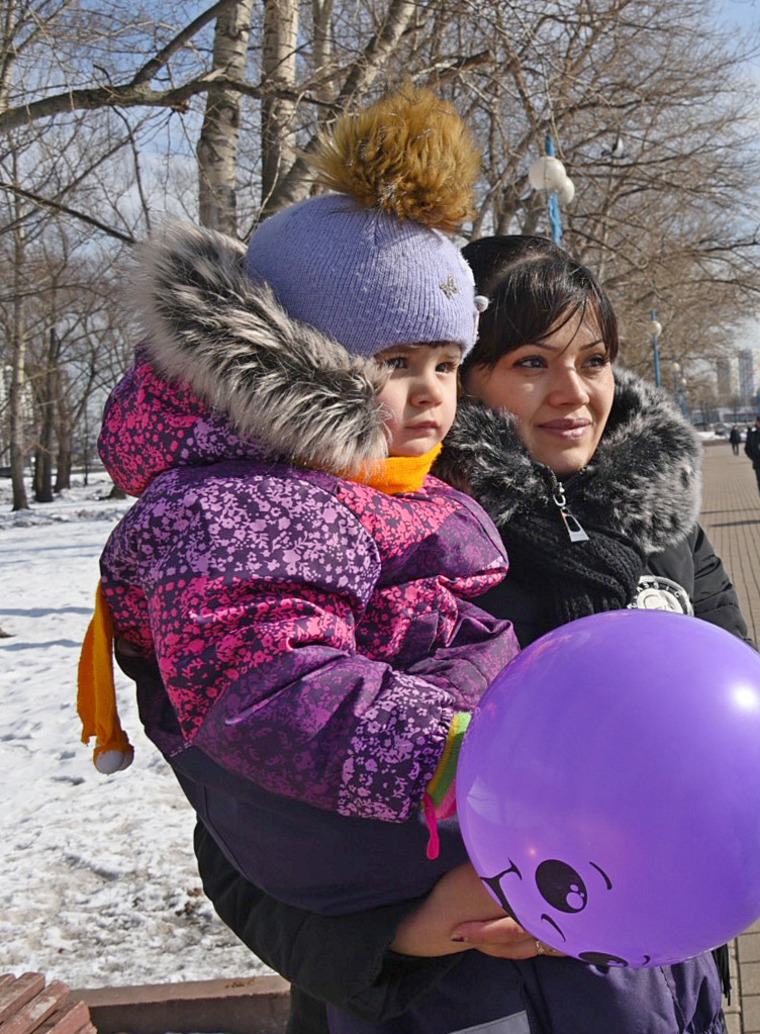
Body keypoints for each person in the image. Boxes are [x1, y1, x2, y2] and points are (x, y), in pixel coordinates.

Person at [195, 235, 750, 1034]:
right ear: (464, 376)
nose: (574, 393)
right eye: (530, 363)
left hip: (653, 983)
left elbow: (733, 751)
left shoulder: (662, 529)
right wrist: (400, 937)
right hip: (450, 1004)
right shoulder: (388, 548)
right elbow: (241, 826)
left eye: (593, 360)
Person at [89, 86, 523, 974]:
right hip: (368, 820)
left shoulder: (373, 484)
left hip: (425, 806)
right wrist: (451, 753)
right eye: (396, 363)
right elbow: (266, 684)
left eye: (446, 362)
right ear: (299, 363)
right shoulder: (242, 506)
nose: (436, 392)